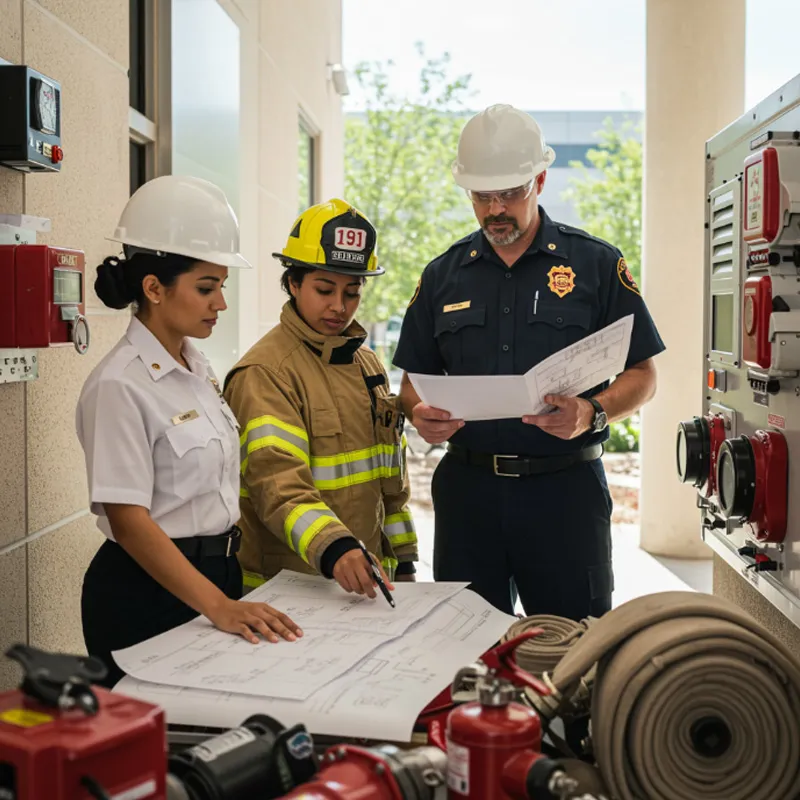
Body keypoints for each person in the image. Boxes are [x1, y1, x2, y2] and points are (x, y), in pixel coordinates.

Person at [393, 104, 665, 619]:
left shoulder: (596, 264)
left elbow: (644, 375)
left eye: (510, 193)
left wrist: (592, 412)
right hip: (469, 495)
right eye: (482, 196)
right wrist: (417, 414)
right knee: (463, 650)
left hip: (564, 494)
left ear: (540, 180)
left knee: (572, 649)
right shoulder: (441, 276)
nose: (496, 209)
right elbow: (413, 384)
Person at [77, 175, 302, 688]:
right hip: (146, 592)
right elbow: (130, 522)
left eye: (221, 286)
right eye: (206, 288)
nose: (220, 303)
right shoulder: (119, 385)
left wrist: (226, 596)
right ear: (153, 288)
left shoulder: (197, 371)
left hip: (216, 579)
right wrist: (219, 607)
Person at [223, 199, 418, 595]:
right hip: (289, 588)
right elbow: (277, 484)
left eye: (353, 291)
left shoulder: (368, 365)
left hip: (367, 581)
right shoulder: (265, 373)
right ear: (293, 283)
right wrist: (336, 548)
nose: (339, 306)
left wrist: (406, 560)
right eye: (324, 289)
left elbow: (391, 485)